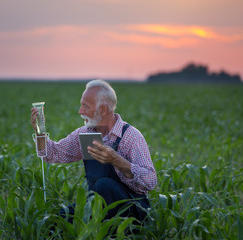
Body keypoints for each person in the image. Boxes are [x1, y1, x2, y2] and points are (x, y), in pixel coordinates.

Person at [31, 79, 157, 222]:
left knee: (104, 185)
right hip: (97, 206)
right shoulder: (85, 134)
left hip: (133, 210)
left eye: (85, 106)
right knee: (60, 217)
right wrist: (40, 131)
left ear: (102, 110)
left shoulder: (131, 136)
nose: (80, 111)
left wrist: (116, 160)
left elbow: (151, 181)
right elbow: (52, 154)